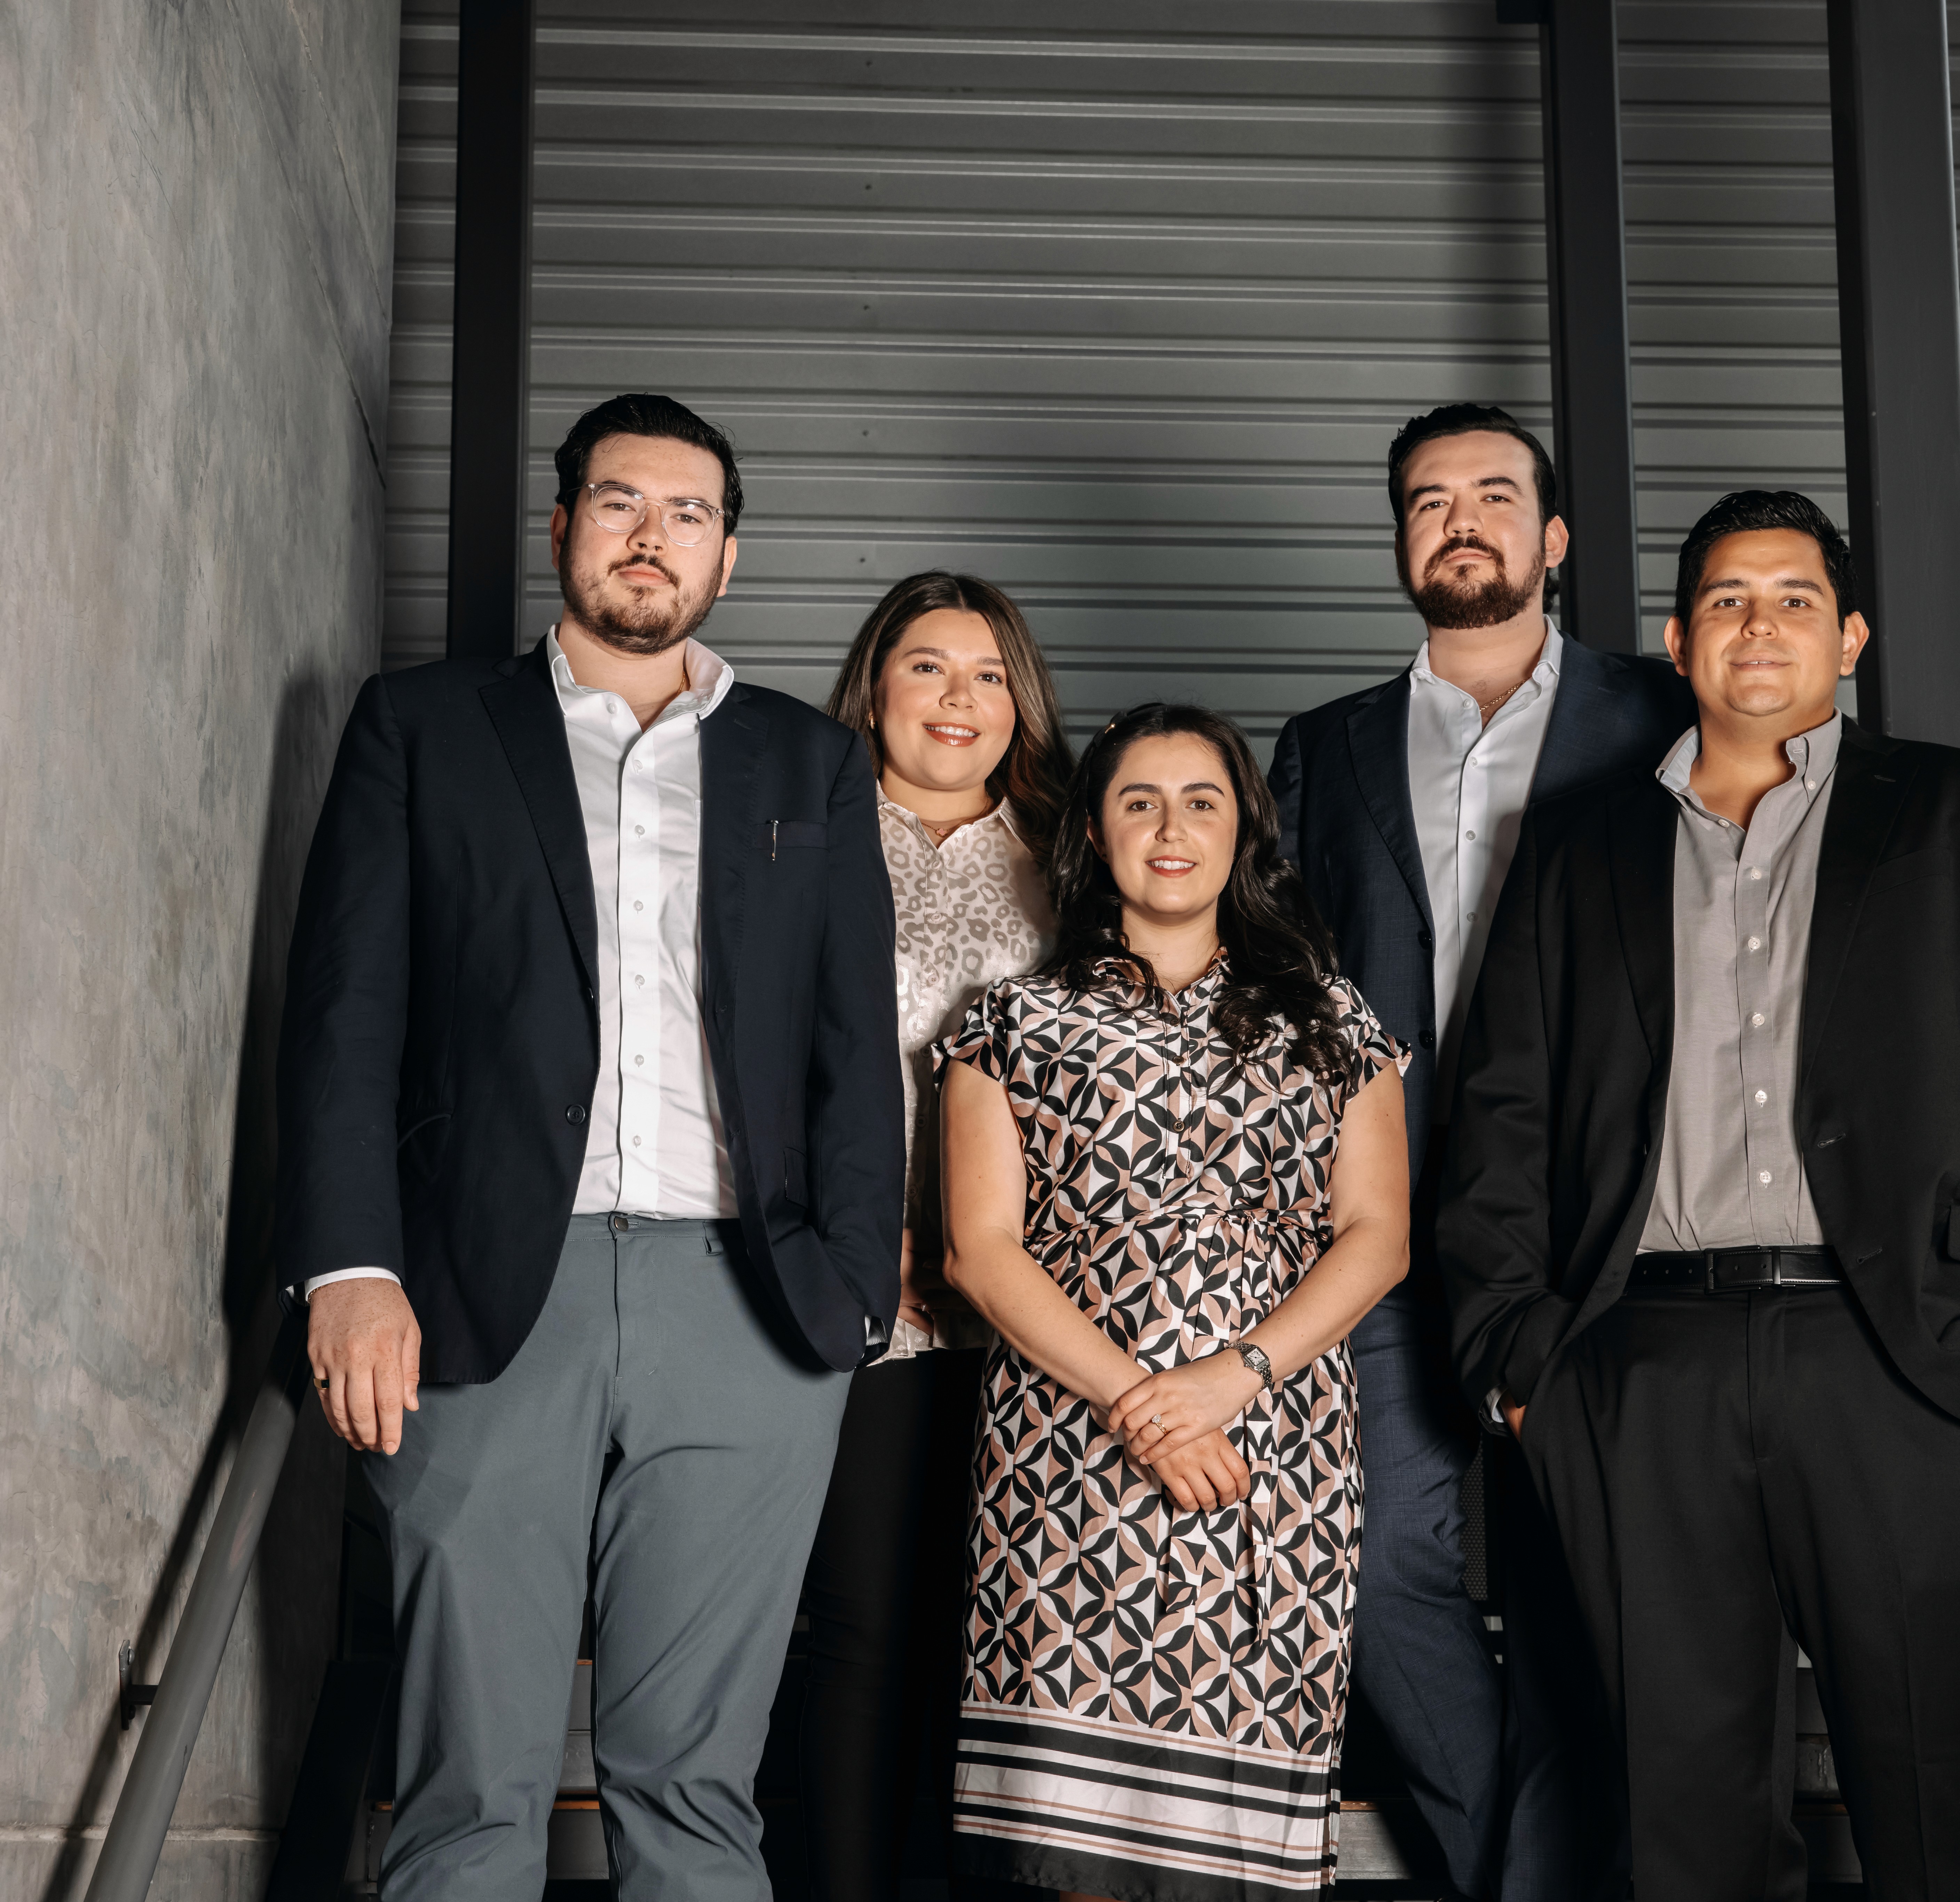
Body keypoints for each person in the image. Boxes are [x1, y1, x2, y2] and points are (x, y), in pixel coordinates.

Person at [1438, 490, 1960, 1897]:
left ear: (1850, 636)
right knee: (1677, 1830)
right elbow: (1501, 1113)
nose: (1759, 626)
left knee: (1934, 1817)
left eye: (1794, 599)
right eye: (1727, 600)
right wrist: (1521, 1368)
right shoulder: (1575, 843)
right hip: (1639, 1370)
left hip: (1905, 1370)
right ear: (1677, 639)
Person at [276, 392, 902, 1900]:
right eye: (620, 502)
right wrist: (349, 1267)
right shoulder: (423, 728)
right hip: (484, 1293)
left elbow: (850, 1048)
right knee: (467, 1791)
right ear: (563, 527)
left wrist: (852, 1296)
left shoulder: (808, 762)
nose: (651, 537)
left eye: (689, 514)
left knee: (696, 1790)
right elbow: (345, 1017)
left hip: (750, 1307)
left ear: (728, 557)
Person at [1265, 402, 1692, 1899]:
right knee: (1372, 1569)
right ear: (1400, 540)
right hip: (1377, 1225)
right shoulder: (1322, 749)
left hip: (1594, 1229)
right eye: (1429, 499)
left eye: (1494, 494)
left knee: (1590, 1584)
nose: (1461, 519)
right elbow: (1283, 983)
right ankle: (1535, 1873)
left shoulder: (1660, 717)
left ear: (1552, 537)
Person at [936, 703, 1411, 1902]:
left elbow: (1379, 1238)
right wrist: (1143, 1405)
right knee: (1072, 1849)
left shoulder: (1333, 1020)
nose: (1170, 830)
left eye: (1202, 802)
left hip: (1273, 1445)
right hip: (1070, 1453)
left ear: (1242, 829)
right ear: (1094, 833)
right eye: (1138, 802)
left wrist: (1225, 1383)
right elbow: (981, 1254)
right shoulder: (1009, 1025)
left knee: (1234, 1849)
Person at [800, 570, 1072, 1902]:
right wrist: (854, 1238)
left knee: (1004, 1637)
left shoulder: (1076, 857)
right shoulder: (802, 833)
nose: (959, 700)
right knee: (859, 1621)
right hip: (865, 1297)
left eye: (987, 674)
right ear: (875, 687)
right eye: (927, 668)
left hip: (1040, 1308)